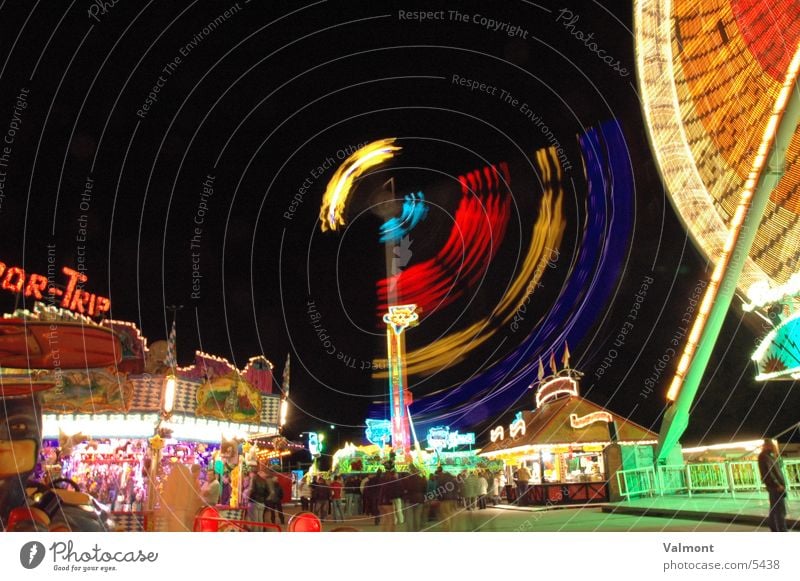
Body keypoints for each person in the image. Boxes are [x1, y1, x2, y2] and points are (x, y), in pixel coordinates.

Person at [758, 439, 788, 532]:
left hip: (777, 486)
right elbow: (767, 473)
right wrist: (777, 485)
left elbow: (780, 466)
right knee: (779, 510)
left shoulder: (771, 455)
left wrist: (777, 455)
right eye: (772, 445)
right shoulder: (763, 456)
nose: (773, 446)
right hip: (775, 486)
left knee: (776, 509)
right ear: (767, 445)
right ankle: (781, 529)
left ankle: (774, 528)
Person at [403, 466, 427, 531]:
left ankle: (410, 531)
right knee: (417, 516)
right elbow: (425, 490)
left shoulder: (407, 479)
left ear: (411, 472)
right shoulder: (422, 479)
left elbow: (404, 490)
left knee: (409, 517)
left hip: (409, 500)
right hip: (419, 500)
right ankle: (417, 530)